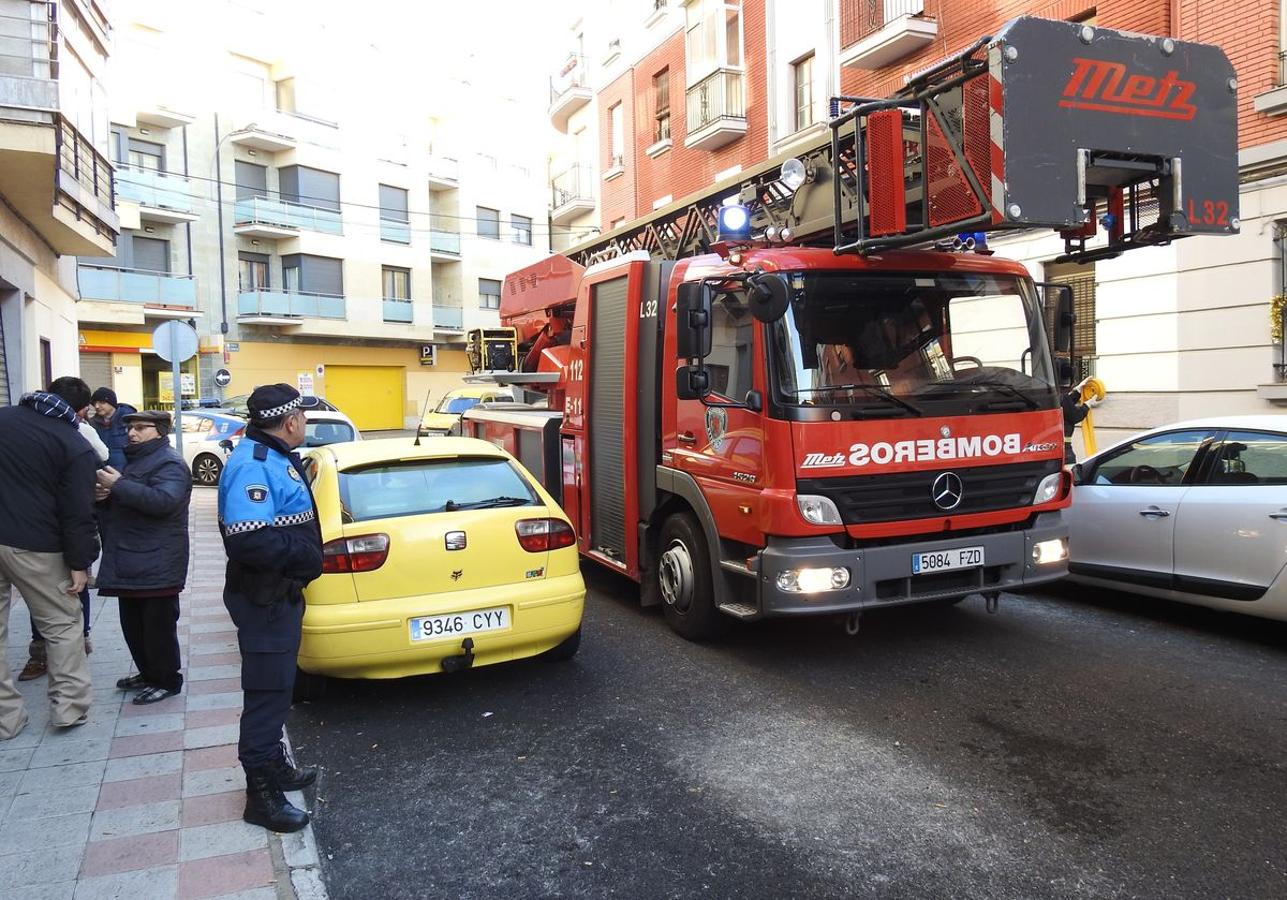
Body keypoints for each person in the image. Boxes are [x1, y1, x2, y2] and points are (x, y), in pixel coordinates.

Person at [218, 383, 323, 833]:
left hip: (278, 593)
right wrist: (309, 558)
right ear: (290, 421)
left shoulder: (275, 457)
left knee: (278, 689)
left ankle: (276, 767)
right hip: (264, 597)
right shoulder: (254, 465)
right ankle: (261, 798)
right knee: (265, 695)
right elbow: (249, 539)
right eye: (302, 415)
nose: (304, 422)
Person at [0, 377, 98, 739]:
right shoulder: (73, 444)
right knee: (61, 625)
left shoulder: (4, 417)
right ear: (82, 410)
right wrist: (79, 564)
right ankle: (68, 709)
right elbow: (77, 512)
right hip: (36, 545)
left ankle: (5, 720)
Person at [94, 410, 192, 705]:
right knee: (134, 625)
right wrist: (107, 497)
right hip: (132, 559)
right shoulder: (139, 459)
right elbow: (133, 498)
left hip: (157, 561)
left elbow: (164, 501)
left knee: (157, 627)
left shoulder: (170, 463)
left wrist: (118, 486)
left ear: (159, 431)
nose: (131, 433)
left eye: (139, 428)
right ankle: (149, 672)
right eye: (129, 429)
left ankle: (166, 679)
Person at [18, 400, 109, 680]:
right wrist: (80, 562)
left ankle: (66, 647)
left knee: (61, 594)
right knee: (59, 603)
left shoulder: (18, 426)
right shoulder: (72, 437)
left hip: (42, 531)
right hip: (42, 535)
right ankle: (62, 666)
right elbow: (78, 506)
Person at [90, 386, 137, 471]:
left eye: (101, 402)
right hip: (102, 474)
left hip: (127, 474)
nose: (97, 406)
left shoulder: (129, 420)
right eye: (94, 403)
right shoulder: (92, 424)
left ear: (111, 403)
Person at [1061, 378, 1102, 464]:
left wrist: (1077, 392)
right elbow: (1074, 416)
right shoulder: (1061, 394)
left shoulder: (1048, 393)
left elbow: (1066, 406)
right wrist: (1087, 405)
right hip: (1064, 449)